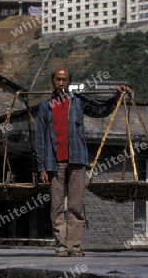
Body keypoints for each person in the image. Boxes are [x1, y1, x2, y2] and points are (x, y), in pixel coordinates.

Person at [35, 65, 132, 257]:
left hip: (77, 159)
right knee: (56, 206)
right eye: (57, 79)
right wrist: (41, 167)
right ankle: (61, 245)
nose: (61, 82)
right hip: (54, 162)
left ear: (70, 82)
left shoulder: (78, 101)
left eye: (64, 79)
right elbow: (40, 139)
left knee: (76, 205)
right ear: (53, 82)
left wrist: (115, 97)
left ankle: (75, 245)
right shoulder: (45, 107)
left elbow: (100, 110)